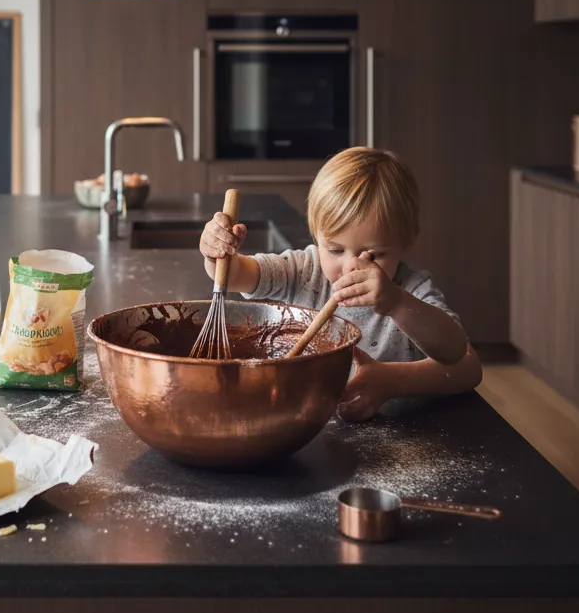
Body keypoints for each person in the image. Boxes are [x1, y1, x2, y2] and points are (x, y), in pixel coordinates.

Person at [199, 147, 482, 421]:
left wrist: (391, 377)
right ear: (316, 236)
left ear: (407, 241)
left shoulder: (410, 291)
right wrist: (217, 252)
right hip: (307, 431)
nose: (351, 266)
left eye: (374, 255)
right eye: (335, 250)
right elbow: (236, 275)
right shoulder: (302, 270)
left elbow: (463, 362)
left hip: (396, 444)